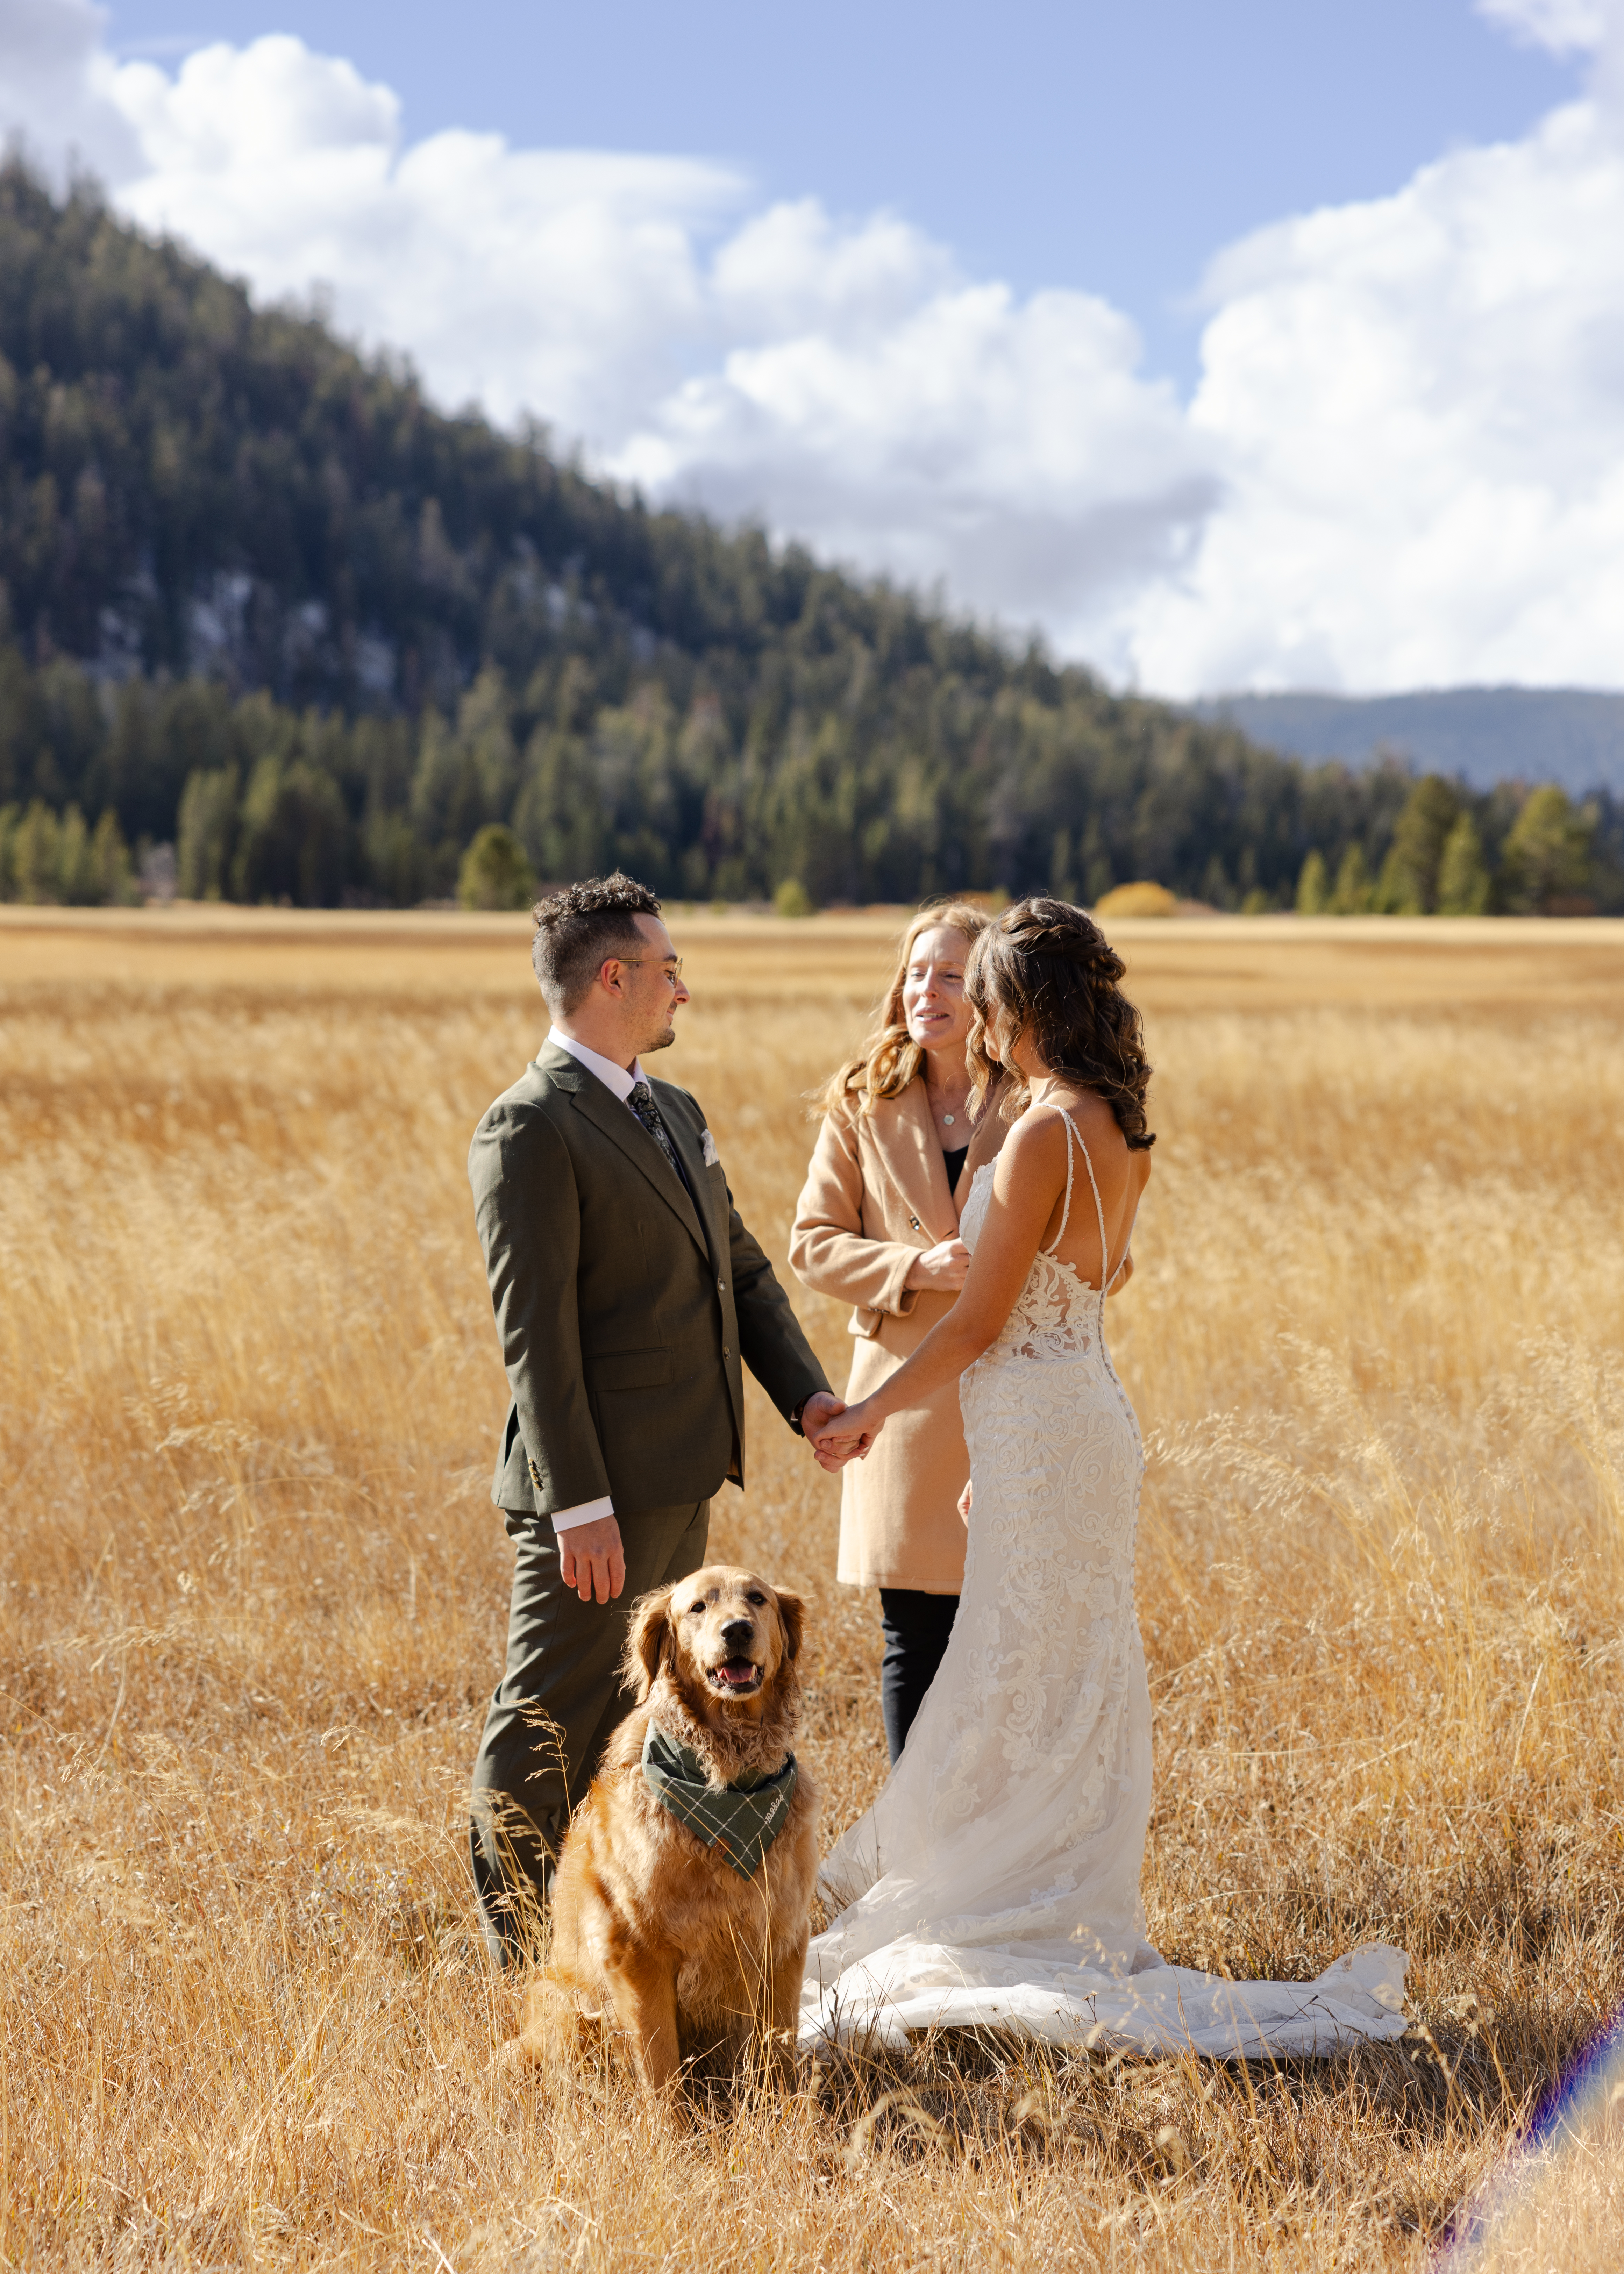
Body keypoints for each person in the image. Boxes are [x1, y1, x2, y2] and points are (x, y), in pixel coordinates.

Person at [803, 898, 1408, 2059]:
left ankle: (988, 1906)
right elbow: (1099, 1280)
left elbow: (981, 1321)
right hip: (1077, 1422)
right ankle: (1033, 1886)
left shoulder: (1037, 1136)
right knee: (1051, 1662)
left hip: (1043, 1421)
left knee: (1008, 1669)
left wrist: (872, 1411)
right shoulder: (1111, 1125)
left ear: (1013, 1008)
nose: (968, 1017)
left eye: (981, 998)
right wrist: (1008, 1454)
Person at [466, 873, 855, 1965]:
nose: (683, 988)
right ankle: (514, 1954)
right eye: (668, 968)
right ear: (613, 977)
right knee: (545, 1720)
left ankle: (609, 1943)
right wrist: (577, 1503)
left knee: (630, 1735)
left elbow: (738, 1270)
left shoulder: (671, 1110)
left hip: (684, 1483)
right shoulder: (528, 1128)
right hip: (595, 1498)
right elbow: (533, 1338)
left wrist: (807, 1397)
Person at [789, 902, 1017, 1760]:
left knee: (999, 1633)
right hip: (898, 1399)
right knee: (913, 1638)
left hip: (1003, 1385)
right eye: (918, 972)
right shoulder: (861, 1099)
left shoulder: (1031, 1099)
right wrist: (910, 1270)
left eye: (953, 975)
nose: (929, 990)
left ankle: (989, 1847)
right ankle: (916, 1847)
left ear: (989, 991)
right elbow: (810, 1244)